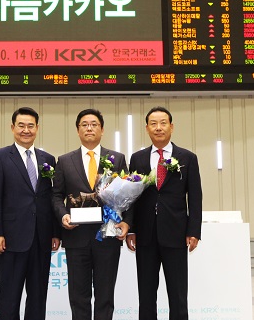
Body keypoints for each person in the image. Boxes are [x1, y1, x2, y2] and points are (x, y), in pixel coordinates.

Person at [0, 107, 61, 320]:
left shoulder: (47, 159)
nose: (26, 130)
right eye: (21, 125)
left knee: (38, 296)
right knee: (10, 297)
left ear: (37, 128)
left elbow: (51, 197)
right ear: (12, 128)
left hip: (41, 238)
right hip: (10, 239)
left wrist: (55, 232)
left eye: (30, 126)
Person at [126, 106, 202, 320]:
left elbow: (195, 197)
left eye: (163, 123)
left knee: (178, 294)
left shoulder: (187, 158)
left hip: (176, 234)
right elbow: (132, 196)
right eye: (153, 124)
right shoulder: (137, 158)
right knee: (146, 294)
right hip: (145, 235)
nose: (158, 128)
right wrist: (131, 229)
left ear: (171, 126)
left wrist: (193, 230)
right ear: (147, 128)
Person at [52, 108, 128, 320]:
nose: (89, 128)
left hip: (108, 236)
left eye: (94, 124)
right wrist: (63, 216)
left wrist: (127, 223)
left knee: (105, 296)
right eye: (84, 125)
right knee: (78, 297)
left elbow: (127, 195)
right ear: (78, 130)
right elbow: (56, 196)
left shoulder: (117, 158)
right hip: (76, 237)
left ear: (102, 130)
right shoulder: (64, 161)